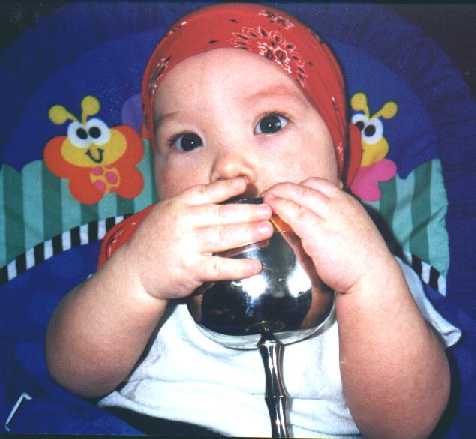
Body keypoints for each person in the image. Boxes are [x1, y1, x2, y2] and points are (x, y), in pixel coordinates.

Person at [45, 3, 461, 438]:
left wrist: (368, 281)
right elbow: (73, 375)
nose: (229, 166)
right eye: (187, 141)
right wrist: (138, 280)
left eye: (270, 123)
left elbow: (403, 427)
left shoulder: (368, 263)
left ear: (337, 153)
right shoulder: (150, 252)